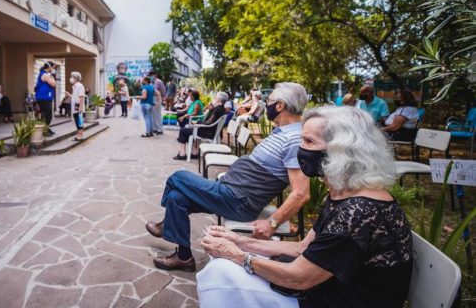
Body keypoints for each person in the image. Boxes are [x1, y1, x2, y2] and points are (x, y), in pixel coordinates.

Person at [197, 105, 413, 308]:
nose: (301, 149)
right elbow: (302, 248)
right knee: (224, 265)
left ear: (341, 151)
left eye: (309, 142)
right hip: (324, 290)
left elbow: (299, 277)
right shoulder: (346, 194)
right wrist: (239, 241)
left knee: (222, 270)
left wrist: (238, 255)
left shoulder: (360, 211)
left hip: (336, 300)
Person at [145, 82, 310, 271]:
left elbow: (301, 193)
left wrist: (272, 223)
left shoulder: (294, 140)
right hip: (230, 192)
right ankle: (184, 258)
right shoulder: (283, 133)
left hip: (238, 200)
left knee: (178, 177)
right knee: (177, 199)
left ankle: (164, 226)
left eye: (270, 100)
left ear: (280, 106)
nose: (267, 104)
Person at [173, 92, 229, 160]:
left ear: (218, 100)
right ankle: (195, 153)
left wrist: (197, 122)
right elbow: (210, 121)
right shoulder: (220, 109)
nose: (213, 99)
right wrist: (210, 110)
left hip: (207, 132)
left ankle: (182, 154)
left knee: (183, 131)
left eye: (215, 98)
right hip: (209, 130)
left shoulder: (217, 109)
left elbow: (208, 122)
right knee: (188, 130)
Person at [35, 62, 57, 134]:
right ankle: (44, 130)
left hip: (46, 97)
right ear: (49, 67)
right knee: (46, 114)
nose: (53, 69)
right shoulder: (45, 75)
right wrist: (52, 77)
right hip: (43, 98)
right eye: (53, 67)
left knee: (48, 114)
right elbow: (54, 84)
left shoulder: (46, 74)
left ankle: (46, 128)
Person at [70, 72, 86, 141]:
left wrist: (80, 108)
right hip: (75, 108)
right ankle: (79, 135)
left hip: (78, 108)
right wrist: (69, 95)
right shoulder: (75, 86)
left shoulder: (79, 86)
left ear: (76, 78)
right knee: (77, 121)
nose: (71, 79)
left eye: (72, 77)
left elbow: (81, 97)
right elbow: (75, 97)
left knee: (79, 122)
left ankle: (80, 136)